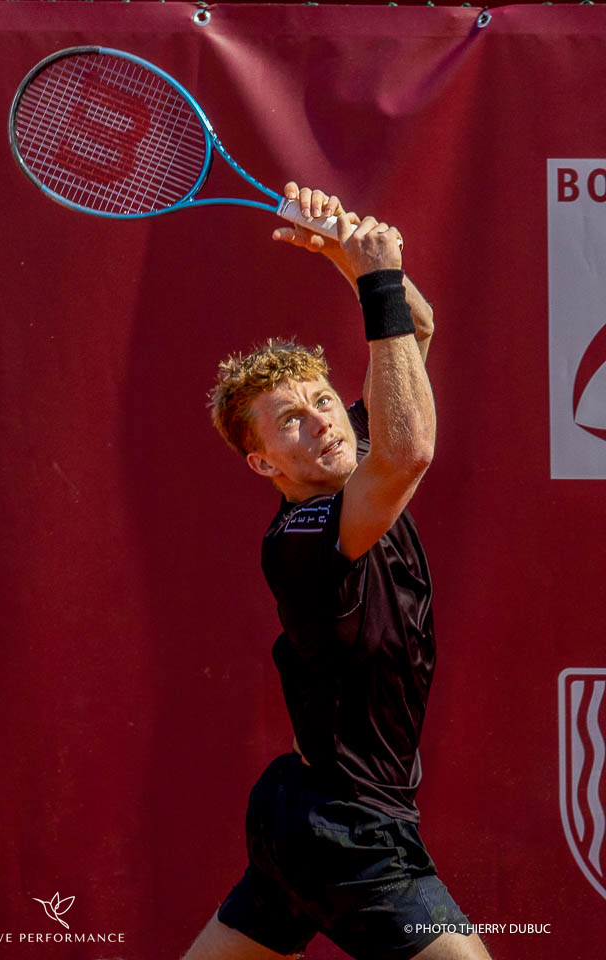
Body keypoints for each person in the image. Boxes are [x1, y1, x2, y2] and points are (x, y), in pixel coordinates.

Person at [182, 184, 491, 960]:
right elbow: (409, 452)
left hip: (303, 809)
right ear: (264, 463)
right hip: (350, 830)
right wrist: (376, 275)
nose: (322, 420)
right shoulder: (305, 534)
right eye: (292, 421)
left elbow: (416, 328)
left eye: (323, 399)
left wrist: (344, 254)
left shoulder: (347, 452)